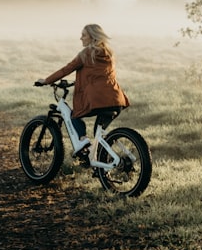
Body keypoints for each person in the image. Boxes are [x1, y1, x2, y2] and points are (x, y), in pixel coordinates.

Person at [35, 24, 130, 157]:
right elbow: (100, 75)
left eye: (84, 35)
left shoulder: (86, 54)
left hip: (97, 100)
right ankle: (99, 162)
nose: (81, 38)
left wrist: (46, 80)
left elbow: (66, 69)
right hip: (116, 99)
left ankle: (83, 141)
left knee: (74, 116)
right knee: (99, 135)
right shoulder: (109, 53)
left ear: (93, 37)